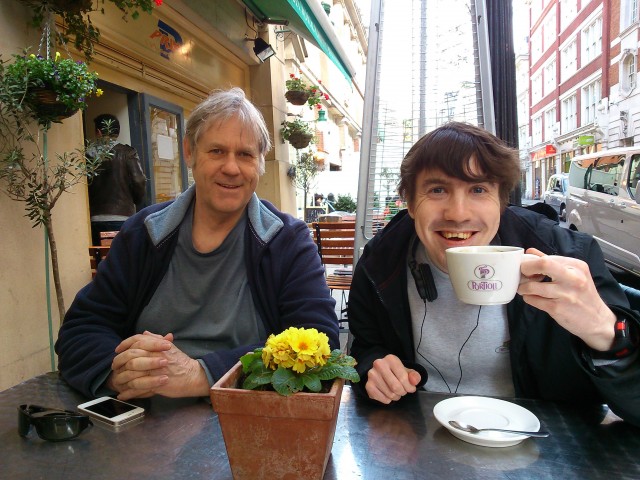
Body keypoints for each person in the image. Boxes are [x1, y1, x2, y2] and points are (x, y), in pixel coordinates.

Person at [348, 122, 640, 426]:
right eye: (437, 190)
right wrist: (375, 367)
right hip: (418, 437)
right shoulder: (380, 262)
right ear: (410, 203)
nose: (458, 213)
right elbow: (366, 347)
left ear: (501, 201)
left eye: (478, 189)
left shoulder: (565, 256)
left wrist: (606, 332)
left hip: (544, 445)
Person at [56, 88, 340, 400]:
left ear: (259, 163)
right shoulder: (144, 232)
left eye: (245, 154)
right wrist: (118, 371)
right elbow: (80, 330)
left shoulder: (288, 242)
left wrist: (205, 374)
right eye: (217, 151)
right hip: (145, 419)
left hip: (247, 418)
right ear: (189, 153)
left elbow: (321, 344)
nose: (231, 167)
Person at [88, 114, 147, 245]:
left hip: (96, 219)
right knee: (124, 260)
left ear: (98, 132)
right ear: (117, 132)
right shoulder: (128, 153)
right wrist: (136, 200)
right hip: (122, 217)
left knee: (101, 259)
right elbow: (139, 180)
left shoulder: (87, 155)